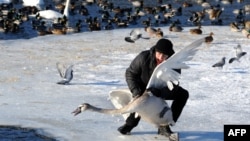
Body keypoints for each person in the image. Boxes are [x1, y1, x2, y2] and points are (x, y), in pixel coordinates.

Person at [118, 38, 189, 136]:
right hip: (143, 87)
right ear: (155, 50)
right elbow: (130, 73)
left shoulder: (174, 64)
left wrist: (160, 93)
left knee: (183, 94)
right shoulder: (143, 57)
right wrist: (135, 90)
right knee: (141, 100)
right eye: (159, 53)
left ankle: (165, 125)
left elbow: (174, 85)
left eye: (164, 55)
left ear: (169, 55)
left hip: (161, 89)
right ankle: (130, 124)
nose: (160, 57)